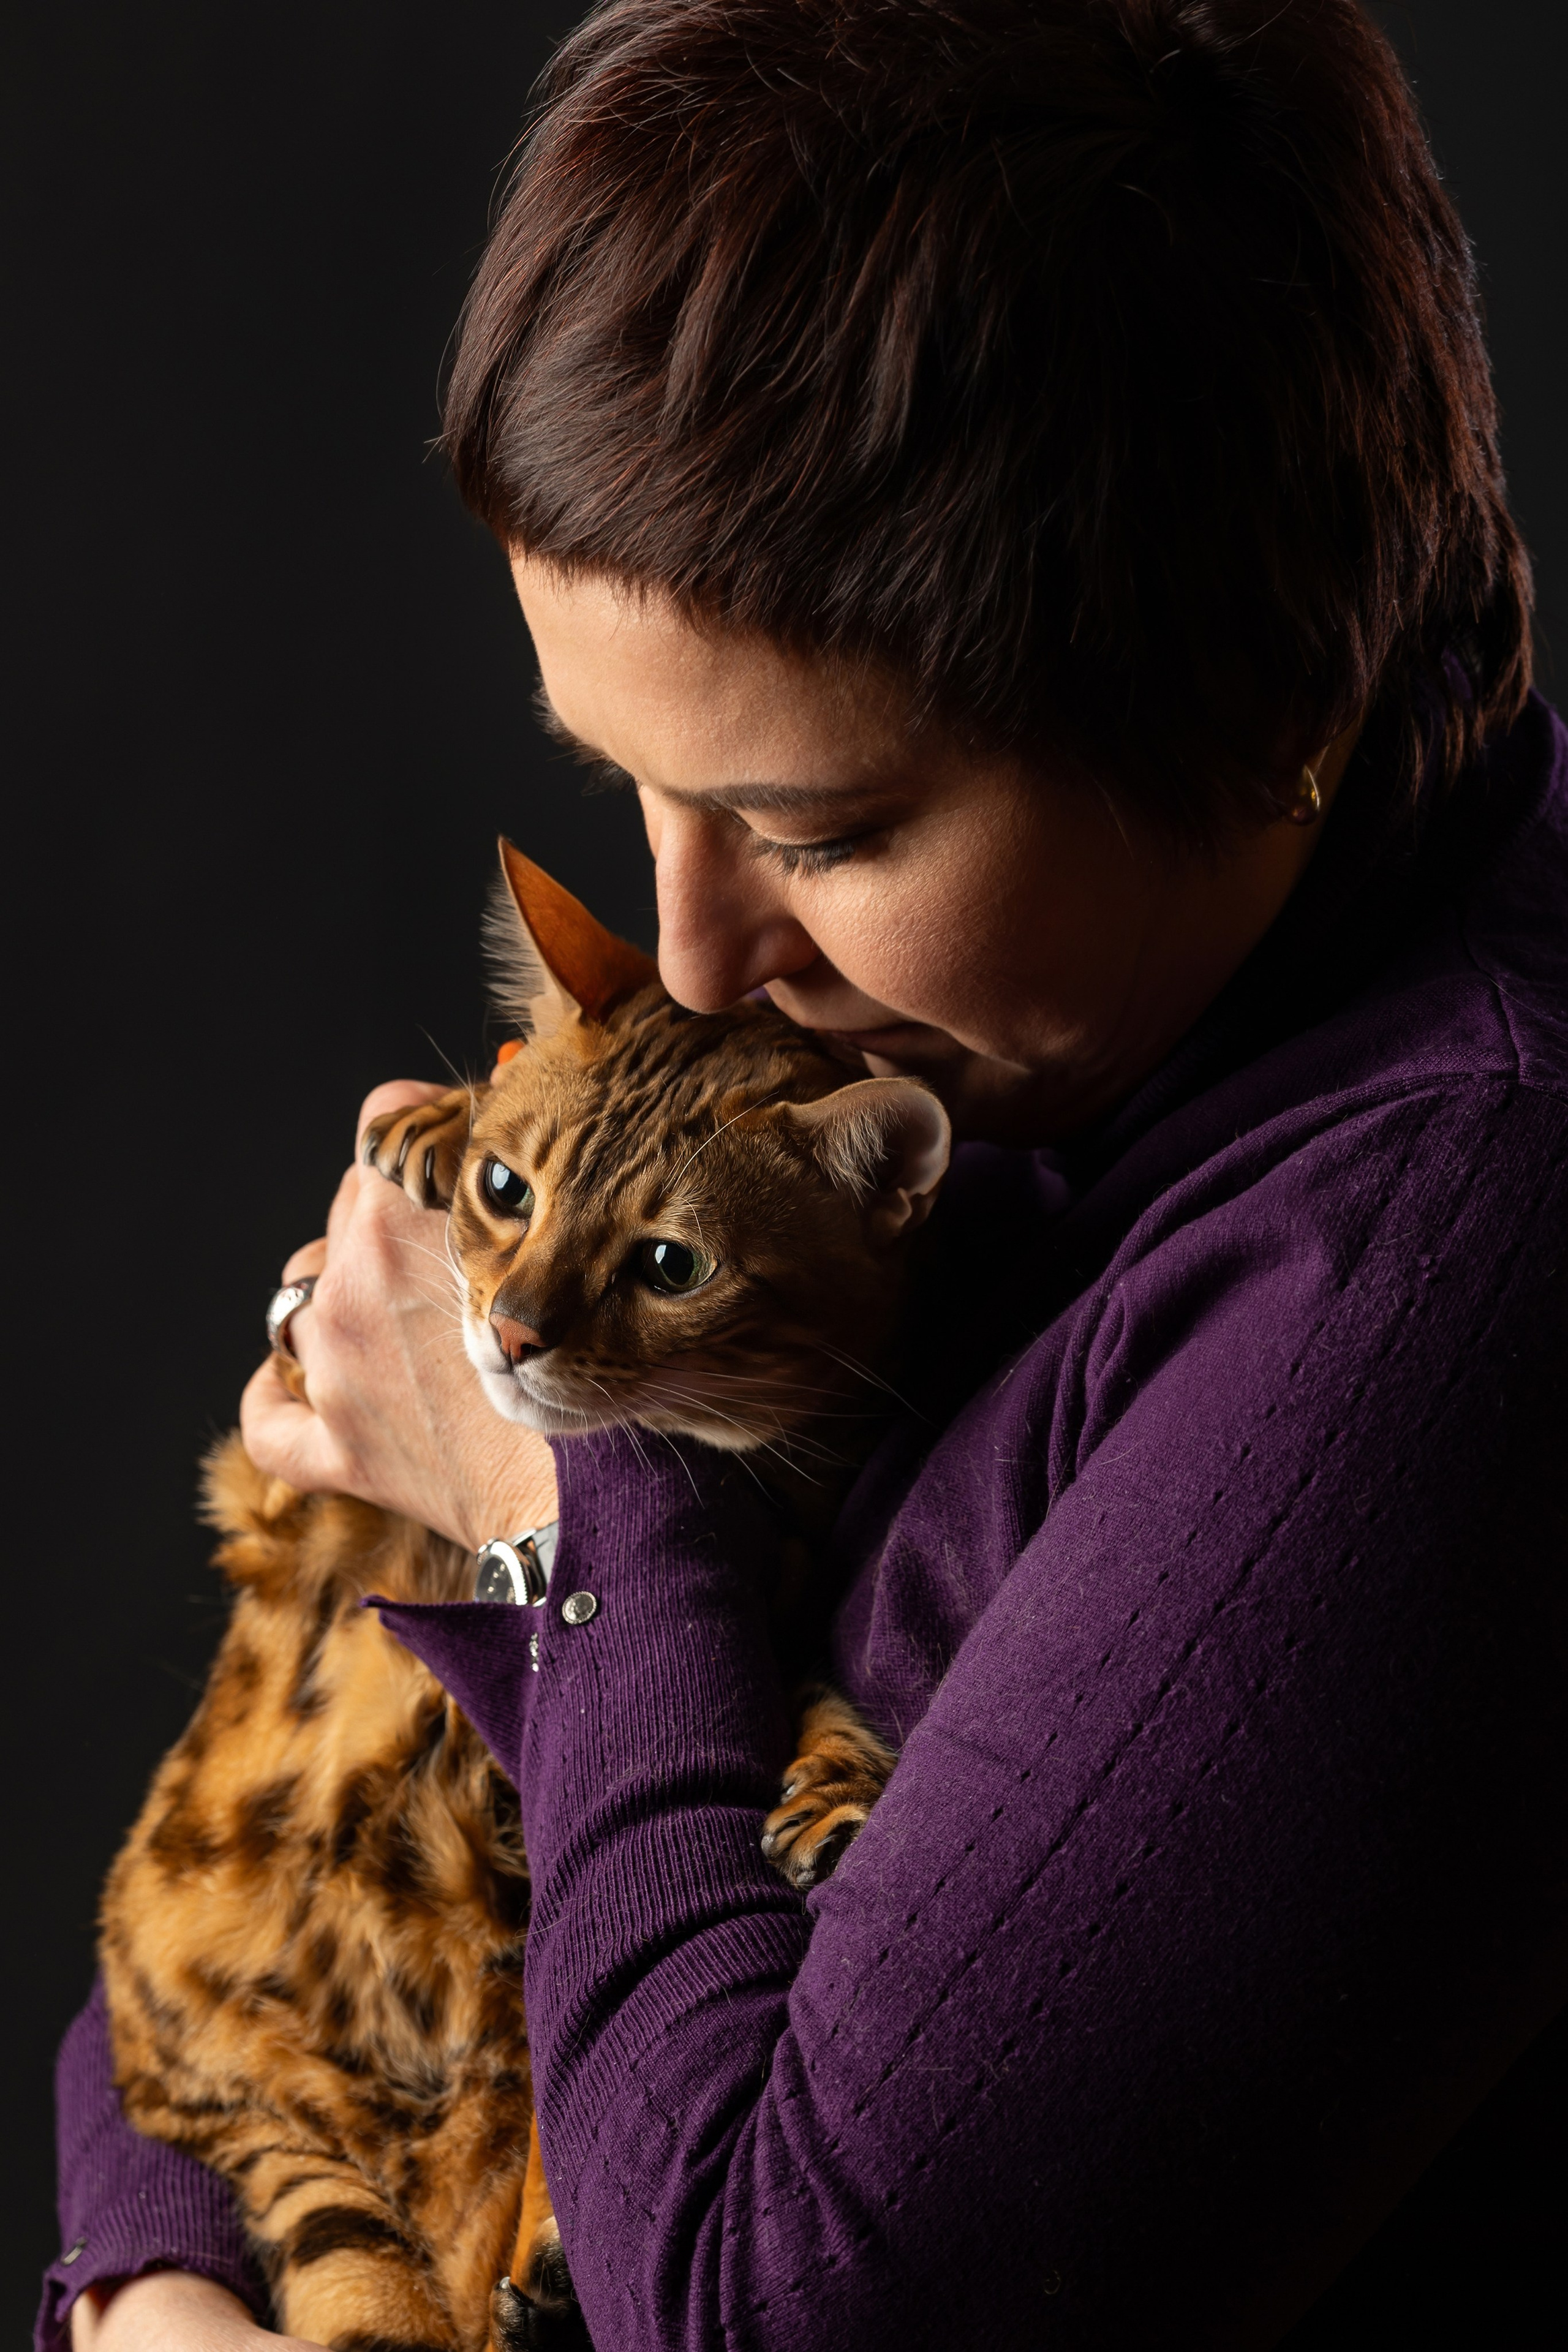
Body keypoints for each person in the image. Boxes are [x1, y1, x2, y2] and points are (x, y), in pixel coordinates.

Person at [47, 2, 1566, 2346]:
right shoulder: (1059, 1054)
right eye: (633, 788)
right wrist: (148, 2272)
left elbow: (769, 2298)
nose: (687, 959)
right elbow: (233, 1902)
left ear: (1265, 702)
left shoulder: (1440, 1250)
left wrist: (558, 1512)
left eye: (822, 831)